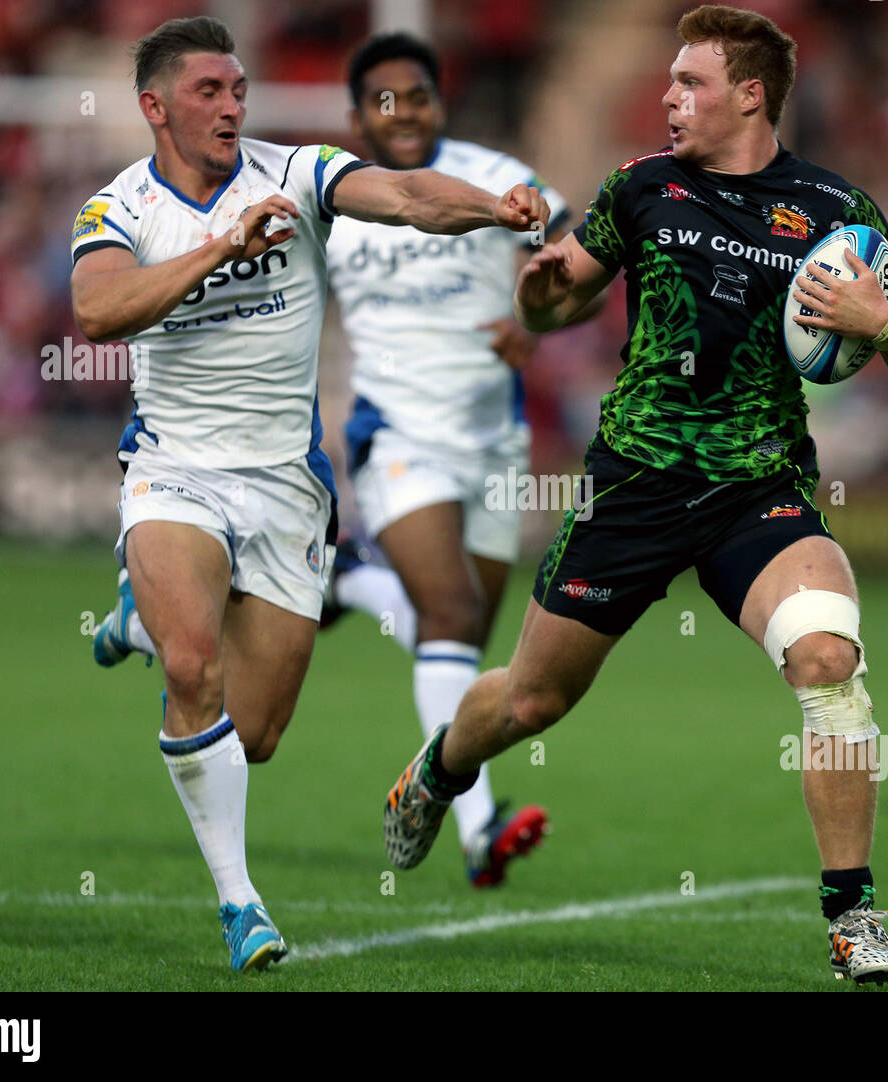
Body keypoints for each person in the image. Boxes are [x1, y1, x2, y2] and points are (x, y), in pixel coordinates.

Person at [383, 3, 888, 986]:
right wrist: (541, 285)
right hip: (632, 486)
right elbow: (557, 301)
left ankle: (853, 917)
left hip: (756, 491)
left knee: (827, 658)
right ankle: (438, 768)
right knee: (530, 696)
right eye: (669, 80)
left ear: (751, 94)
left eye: (689, 82)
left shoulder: (834, 208)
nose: (668, 95)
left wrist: (881, 322)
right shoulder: (641, 187)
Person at [74, 15, 548, 972]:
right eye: (209, 90)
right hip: (175, 469)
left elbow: (409, 194)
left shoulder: (295, 174)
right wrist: (220, 248)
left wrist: (497, 208)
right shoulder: (117, 207)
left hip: (288, 486)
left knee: (253, 735)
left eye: (239, 87)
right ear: (154, 107)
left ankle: (135, 620)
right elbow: (95, 310)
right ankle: (241, 903)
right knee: (193, 668)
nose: (233, 104)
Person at [319, 32, 595, 887]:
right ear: (359, 114)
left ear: (441, 102)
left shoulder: (490, 172)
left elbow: (578, 253)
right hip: (396, 432)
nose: (404, 113)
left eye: (419, 96)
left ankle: (353, 582)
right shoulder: (333, 198)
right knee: (446, 616)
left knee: (467, 634)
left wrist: (541, 317)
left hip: (493, 440)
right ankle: (474, 823)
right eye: (385, 100)